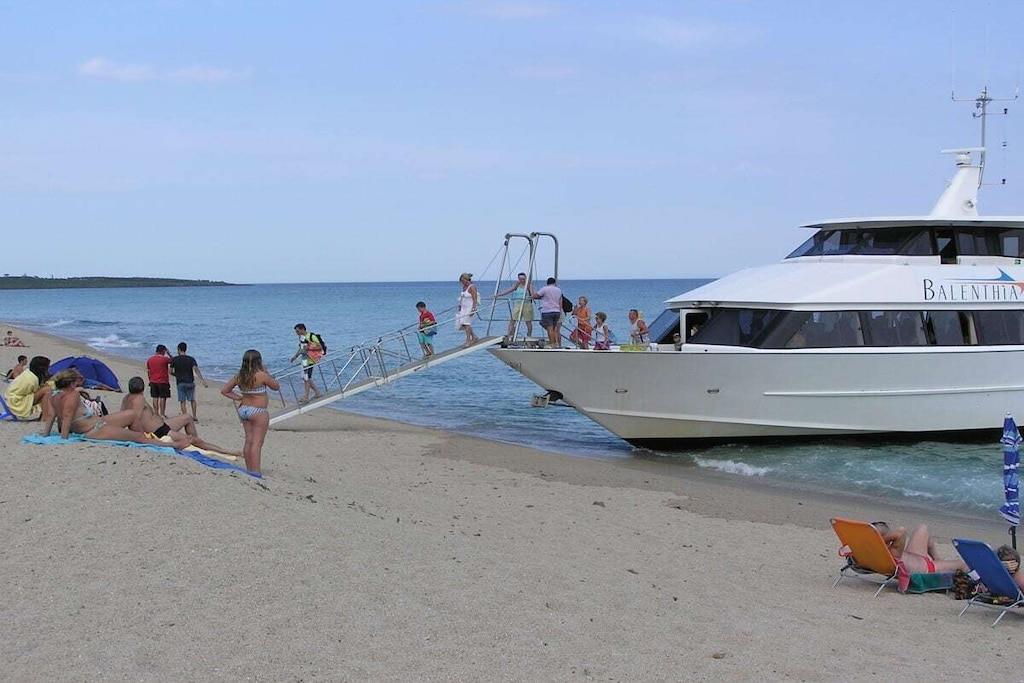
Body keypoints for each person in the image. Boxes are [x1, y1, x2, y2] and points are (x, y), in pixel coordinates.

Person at [42, 369, 183, 446]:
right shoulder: (72, 395)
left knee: (132, 414)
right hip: (93, 429)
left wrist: (46, 435)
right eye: (77, 383)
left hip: (98, 422)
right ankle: (170, 444)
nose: (79, 385)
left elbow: (51, 417)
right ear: (71, 383)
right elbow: (67, 417)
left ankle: (144, 436)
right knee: (137, 437)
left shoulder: (52, 395)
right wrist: (64, 440)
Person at [121, 376, 237, 455]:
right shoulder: (139, 399)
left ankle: (195, 442)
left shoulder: (126, 399)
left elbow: (124, 417)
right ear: (142, 388)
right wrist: (143, 437)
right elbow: (135, 418)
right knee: (193, 439)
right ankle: (226, 451)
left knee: (187, 417)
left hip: (162, 426)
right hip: (159, 432)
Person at [221, 349, 280, 476]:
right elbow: (276, 386)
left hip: (244, 409)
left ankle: (249, 469)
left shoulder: (239, 376)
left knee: (249, 440)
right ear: (259, 361)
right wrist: (267, 372)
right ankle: (256, 472)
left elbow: (225, 390)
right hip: (258, 411)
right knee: (257, 443)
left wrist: (239, 398)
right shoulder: (261, 375)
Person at [871, 521, 966, 574]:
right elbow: (901, 531)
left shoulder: (870, 550)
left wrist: (879, 541)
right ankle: (938, 562)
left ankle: (937, 559)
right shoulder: (892, 552)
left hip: (914, 556)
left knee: (922, 528)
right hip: (926, 568)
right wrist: (881, 541)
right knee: (962, 564)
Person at [4, 356, 53, 421]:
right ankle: (44, 416)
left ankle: (44, 416)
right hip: (16, 402)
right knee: (47, 390)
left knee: (46, 391)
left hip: (11, 398)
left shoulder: (29, 373)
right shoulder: (32, 379)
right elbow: (34, 391)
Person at [170, 342, 208, 421]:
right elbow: (196, 369)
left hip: (180, 382)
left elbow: (170, 371)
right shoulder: (191, 359)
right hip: (190, 382)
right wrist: (202, 380)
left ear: (178, 349)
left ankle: (185, 417)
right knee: (192, 400)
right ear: (186, 349)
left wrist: (176, 375)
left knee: (182, 401)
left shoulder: (175, 359)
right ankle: (194, 416)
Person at [289, 324, 323, 403]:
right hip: (304, 359)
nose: (296, 333)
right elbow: (301, 348)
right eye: (296, 331)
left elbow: (320, 347)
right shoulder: (301, 337)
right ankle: (317, 393)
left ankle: (306, 397)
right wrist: (295, 357)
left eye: (297, 331)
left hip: (311, 359)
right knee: (306, 378)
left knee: (306, 378)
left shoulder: (311, 336)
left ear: (302, 329)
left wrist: (309, 348)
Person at [496, 272, 534, 338]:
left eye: (523, 279)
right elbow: (509, 290)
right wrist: (498, 295)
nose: (522, 280)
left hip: (527, 304)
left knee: (528, 322)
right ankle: (509, 334)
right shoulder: (517, 284)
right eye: (520, 279)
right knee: (512, 320)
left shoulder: (529, 285)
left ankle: (529, 335)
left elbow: (533, 294)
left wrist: (533, 296)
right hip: (518, 304)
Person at [532, 276, 563, 348]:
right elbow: (560, 300)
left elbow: (536, 295)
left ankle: (552, 344)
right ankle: (556, 343)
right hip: (556, 311)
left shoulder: (545, 289)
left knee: (549, 328)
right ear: (554, 283)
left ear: (547, 283)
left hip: (547, 311)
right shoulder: (558, 290)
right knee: (554, 328)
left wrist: (537, 295)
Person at [146, 345, 173, 418]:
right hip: (163, 381)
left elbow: (148, 371)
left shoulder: (150, 359)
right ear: (163, 351)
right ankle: (162, 413)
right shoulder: (165, 359)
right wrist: (169, 353)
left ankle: (156, 413)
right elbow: (173, 360)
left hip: (153, 380)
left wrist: (150, 379)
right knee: (163, 397)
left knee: (155, 397)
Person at [456, 273, 479, 345]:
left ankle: (468, 340)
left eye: (463, 281)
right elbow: (463, 297)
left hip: (470, 307)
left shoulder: (472, 287)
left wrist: (473, 309)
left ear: (466, 280)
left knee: (466, 323)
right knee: (462, 323)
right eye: (461, 281)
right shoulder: (464, 287)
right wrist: (460, 305)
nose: (462, 283)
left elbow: (475, 299)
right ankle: (474, 336)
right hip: (463, 307)